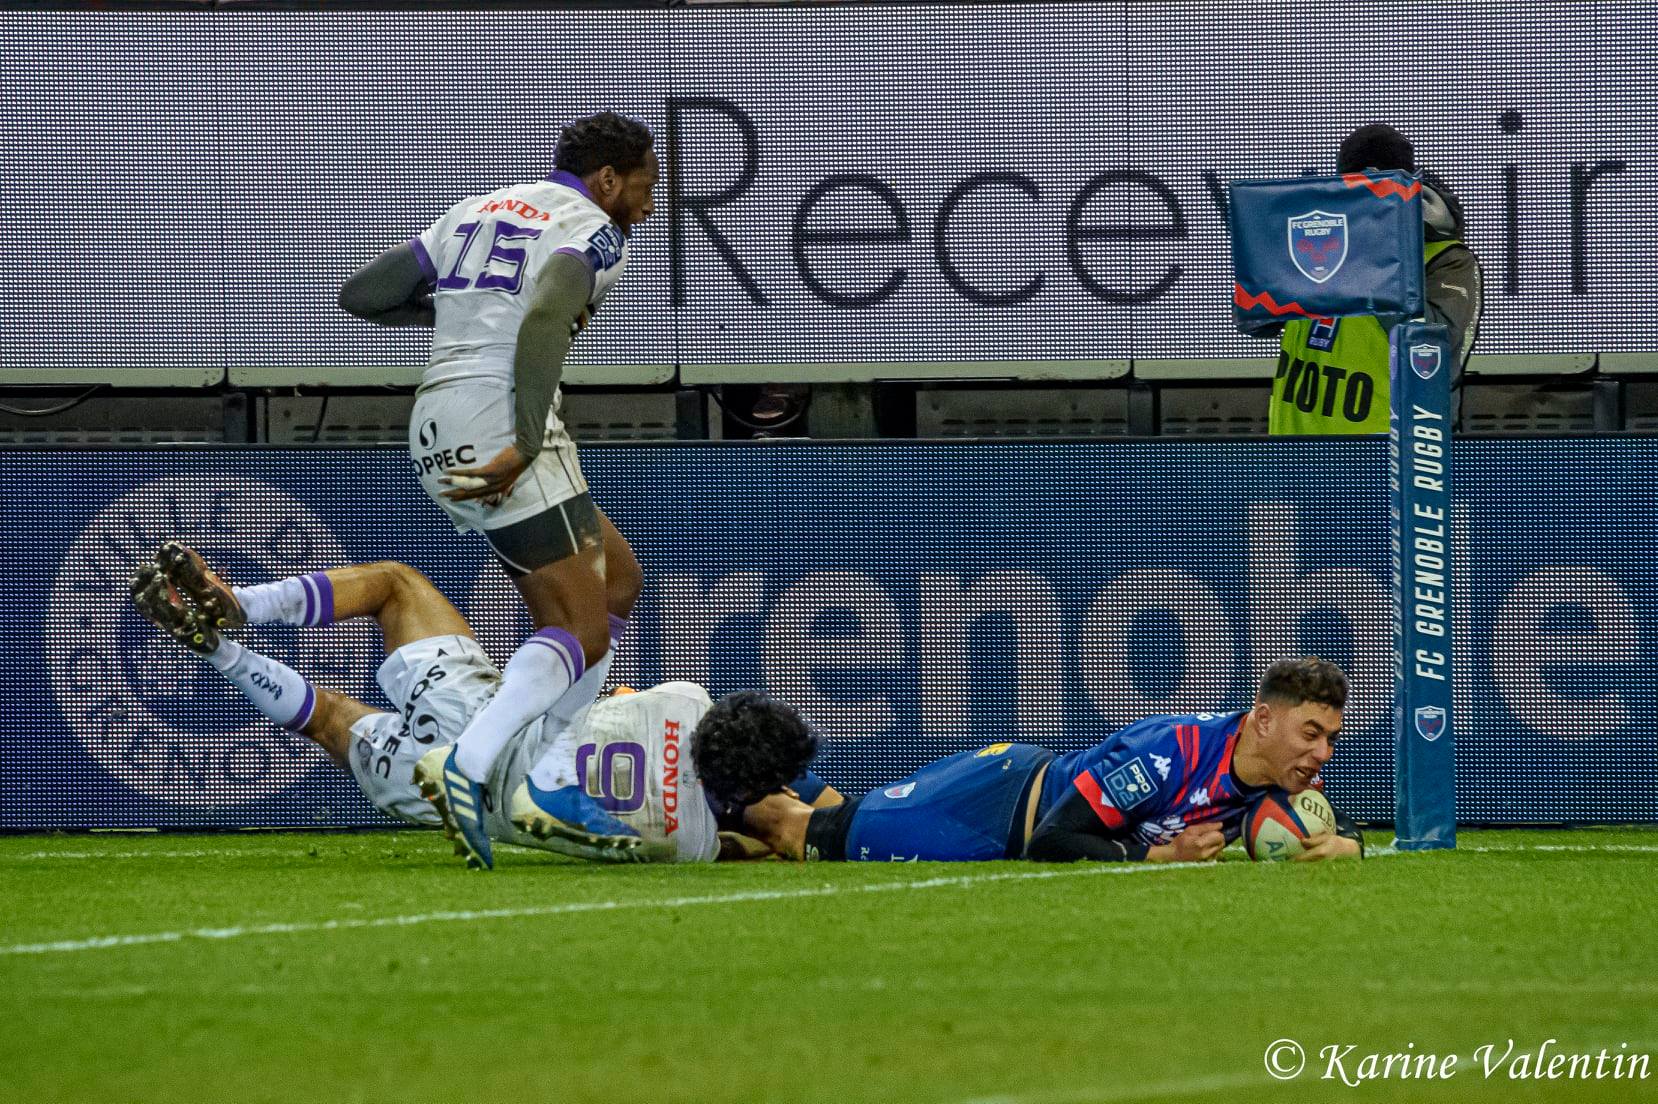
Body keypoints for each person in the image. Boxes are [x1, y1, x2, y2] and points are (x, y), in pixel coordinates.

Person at [337, 112, 661, 868]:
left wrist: (459, 310)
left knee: (617, 586)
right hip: (502, 419)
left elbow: (362, 294)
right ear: (608, 179)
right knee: (580, 630)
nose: (649, 205)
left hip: (436, 413)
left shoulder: (479, 207)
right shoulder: (593, 229)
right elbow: (546, 316)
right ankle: (475, 765)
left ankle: (545, 771)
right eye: (645, 187)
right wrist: (521, 440)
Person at [128, 542, 820, 866]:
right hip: (467, 802)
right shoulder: (690, 849)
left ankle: (245, 605)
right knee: (331, 718)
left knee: (395, 586)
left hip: (484, 717)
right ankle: (219, 654)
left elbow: (615, 692)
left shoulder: (685, 701)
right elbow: (769, 832)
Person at [734, 657, 1364, 864]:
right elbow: (1054, 839)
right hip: (993, 807)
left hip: (1008, 794)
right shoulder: (1173, 752)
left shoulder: (1266, 784)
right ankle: (708, 782)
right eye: (1311, 734)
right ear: (1262, 718)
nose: (1321, 755)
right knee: (797, 835)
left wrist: (1348, 847)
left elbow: (1320, 829)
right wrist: (1158, 857)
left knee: (847, 815)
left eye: (1331, 739)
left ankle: (773, 776)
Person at [1267, 123, 1483, 434]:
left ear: (1407, 185)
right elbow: (1258, 323)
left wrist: (1376, 257)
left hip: (1394, 453)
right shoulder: (1318, 240)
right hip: (1297, 448)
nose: (1364, 199)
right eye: (1352, 187)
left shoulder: (1444, 256)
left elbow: (1432, 344)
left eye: (1377, 186)